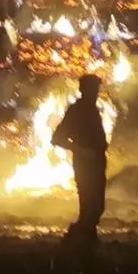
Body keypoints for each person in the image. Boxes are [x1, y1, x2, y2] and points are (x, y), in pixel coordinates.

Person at [51, 74, 108, 242]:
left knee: (97, 205)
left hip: (97, 162)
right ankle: (80, 240)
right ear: (83, 90)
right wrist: (81, 151)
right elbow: (57, 138)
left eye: (97, 89)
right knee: (90, 203)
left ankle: (85, 238)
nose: (96, 93)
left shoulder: (93, 110)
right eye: (92, 89)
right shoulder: (76, 111)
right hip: (84, 163)